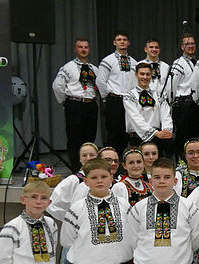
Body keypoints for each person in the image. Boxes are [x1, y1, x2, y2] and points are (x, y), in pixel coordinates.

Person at [52, 37, 99, 171]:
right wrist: (65, 102)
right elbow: (57, 86)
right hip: (75, 104)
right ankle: (76, 169)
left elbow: (100, 86)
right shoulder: (68, 67)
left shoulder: (94, 69)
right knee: (74, 138)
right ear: (75, 49)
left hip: (90, 104)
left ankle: (89, 168)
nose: (83, 50)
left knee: (90, 138)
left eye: (86, 47)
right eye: (80, 47)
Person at [97, 31, 138, 154]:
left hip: (129, 101)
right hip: (114, 100)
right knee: (114, 134)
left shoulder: (135, 63)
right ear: (114, 42)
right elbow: (100, 82)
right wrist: (107, 97)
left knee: (127, 134)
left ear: (128, 43)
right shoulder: (108, 61)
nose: (122, 41)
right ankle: (111, 162)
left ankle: (123, 163)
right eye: (119, 39)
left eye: (124, 39)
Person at [123, 62, 174, 157]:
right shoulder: (129, 96)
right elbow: (136, 118)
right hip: (138, 136)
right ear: (136, 75)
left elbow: (166, 114)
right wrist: (154, 133)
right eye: (142, 74)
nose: (145, 77)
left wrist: (166, 131)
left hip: (159, 136)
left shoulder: (158, 95)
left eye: (148, 74)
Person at [46, 143, 99, 221]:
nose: (88, 158)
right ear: (80, 159)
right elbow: (52, 205)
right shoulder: (73, 180)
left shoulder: (106, 179)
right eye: (84, 155)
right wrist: (72, 220)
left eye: (92, 155)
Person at [170, 33, 199, 157]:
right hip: (183, 104)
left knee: (193, 138)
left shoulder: (197, 62)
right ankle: (180, 163)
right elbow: (171, 86)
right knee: (183, 137)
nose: (191, 46)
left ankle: (191, 164)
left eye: (193, 44)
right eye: (187, 44)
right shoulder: (179, 63)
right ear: (182, 47)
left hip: (195, 105)